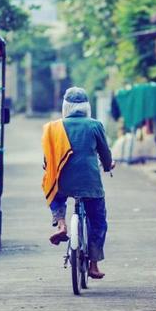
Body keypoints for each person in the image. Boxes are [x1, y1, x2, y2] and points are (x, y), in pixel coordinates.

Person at [41, 87, 115, 279]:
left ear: (66, 106)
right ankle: (94, 265)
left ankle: (62, 224)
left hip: (63, 182)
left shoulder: (53, 127)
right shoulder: (94, 125)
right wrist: (108, 166)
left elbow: (47, 160)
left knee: (54, 190)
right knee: (98, 221)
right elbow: (105, 154)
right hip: (90, 183)